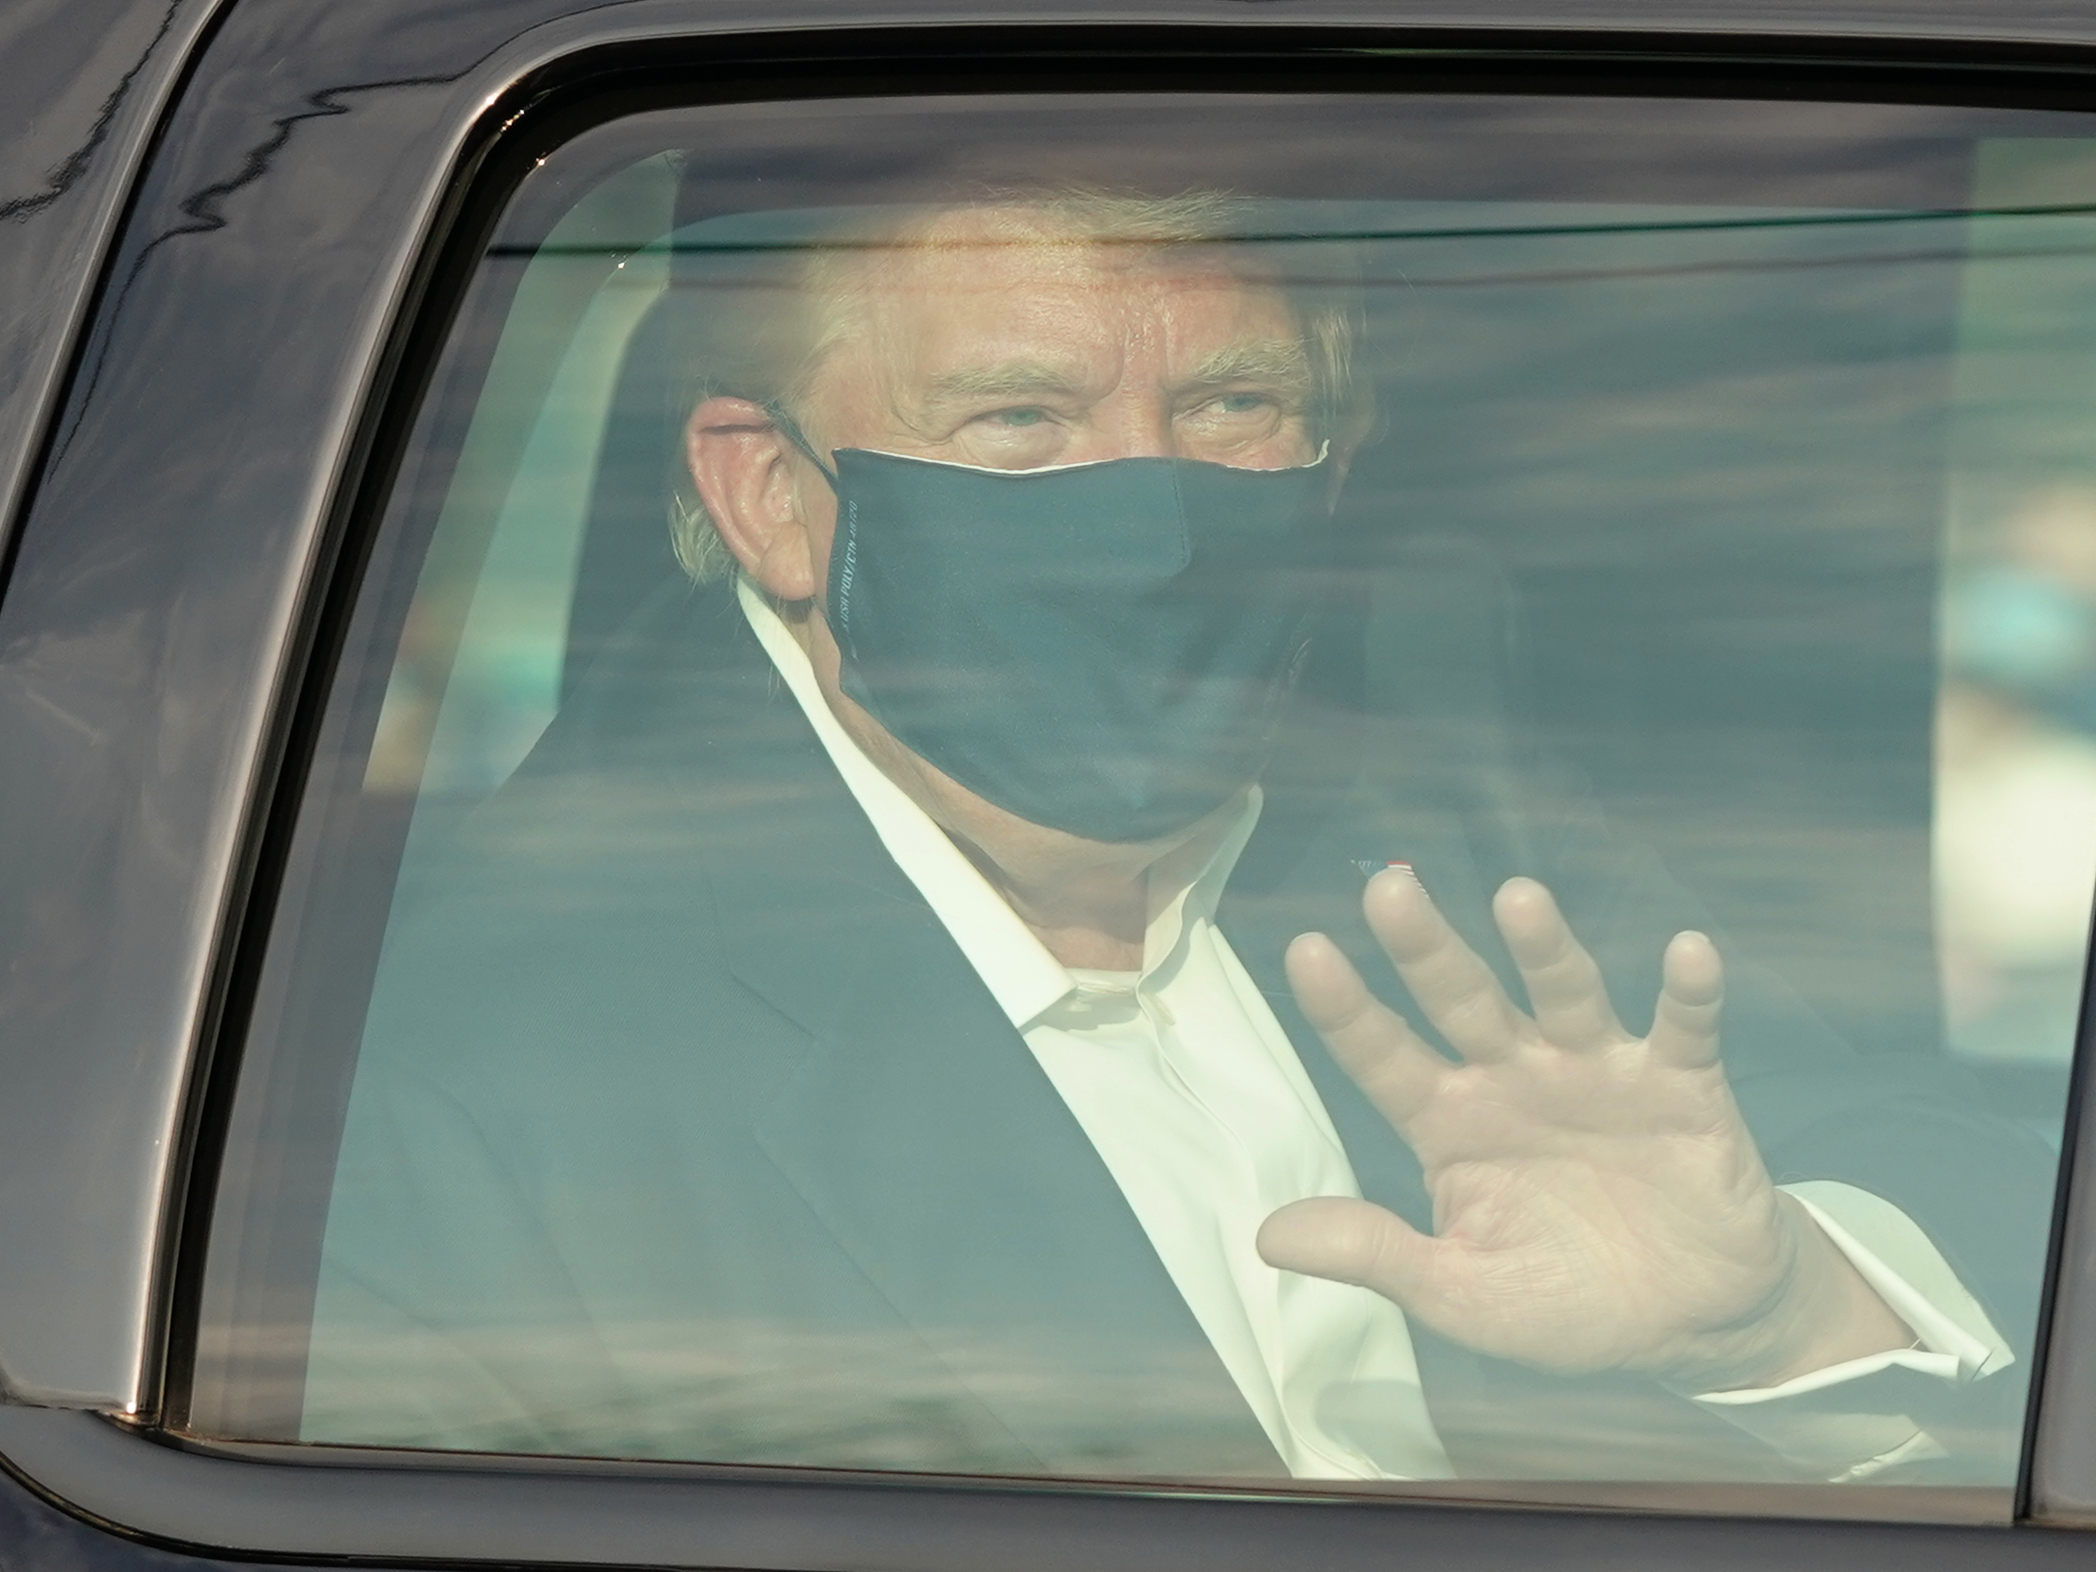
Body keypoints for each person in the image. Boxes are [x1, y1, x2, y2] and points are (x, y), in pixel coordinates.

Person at [303, 188, 2049, 1484]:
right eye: (1019, 425)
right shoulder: (471, 1057)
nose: (1153, 516)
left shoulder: (1457, 833)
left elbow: (1971, 1196)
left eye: (1229, 410)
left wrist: (1772, 1318)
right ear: (770, 492)